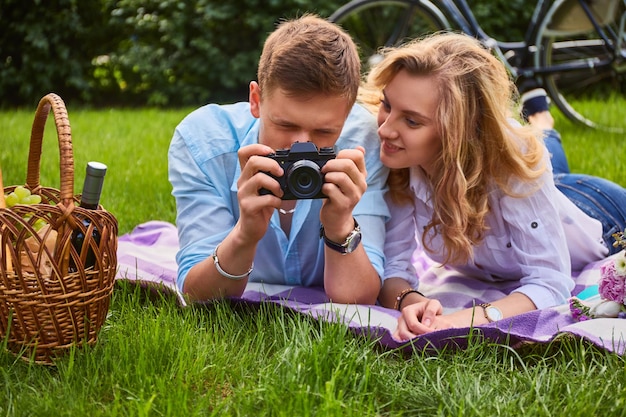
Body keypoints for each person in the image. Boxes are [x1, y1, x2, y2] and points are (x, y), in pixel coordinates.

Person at [357, 32, 626, 339]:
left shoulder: (514, 159)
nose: (385, 128)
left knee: (537, 153)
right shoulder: (396, 159)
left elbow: (551, 283)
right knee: (546, 165)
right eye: (387, 105)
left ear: (456, 131)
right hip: (539, 190)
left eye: (412, 121)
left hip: (598, 212)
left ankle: (542, 124)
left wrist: (467, 318)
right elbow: (394, 267)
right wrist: (412, 301)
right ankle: (541, 120)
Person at [167, 14, 390, 304]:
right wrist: (245, 235)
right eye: (285, 125)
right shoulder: (203, 142)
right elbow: (197, 294)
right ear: (256, 100)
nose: (301, 145)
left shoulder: (362, 142)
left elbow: (358, 299)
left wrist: (340, 225)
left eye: (324, 131)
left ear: (346, 117)